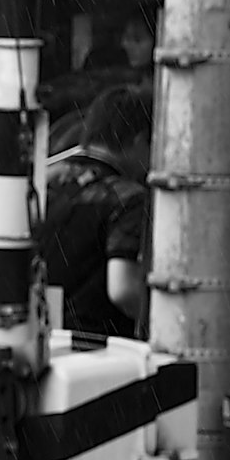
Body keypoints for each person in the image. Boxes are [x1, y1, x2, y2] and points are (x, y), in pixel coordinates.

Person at [37, 84, 151, 341]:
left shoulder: (45, 186)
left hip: (43, 340)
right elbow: (123, 290)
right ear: (139, 140)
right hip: (98, 348)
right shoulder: (127, 198)